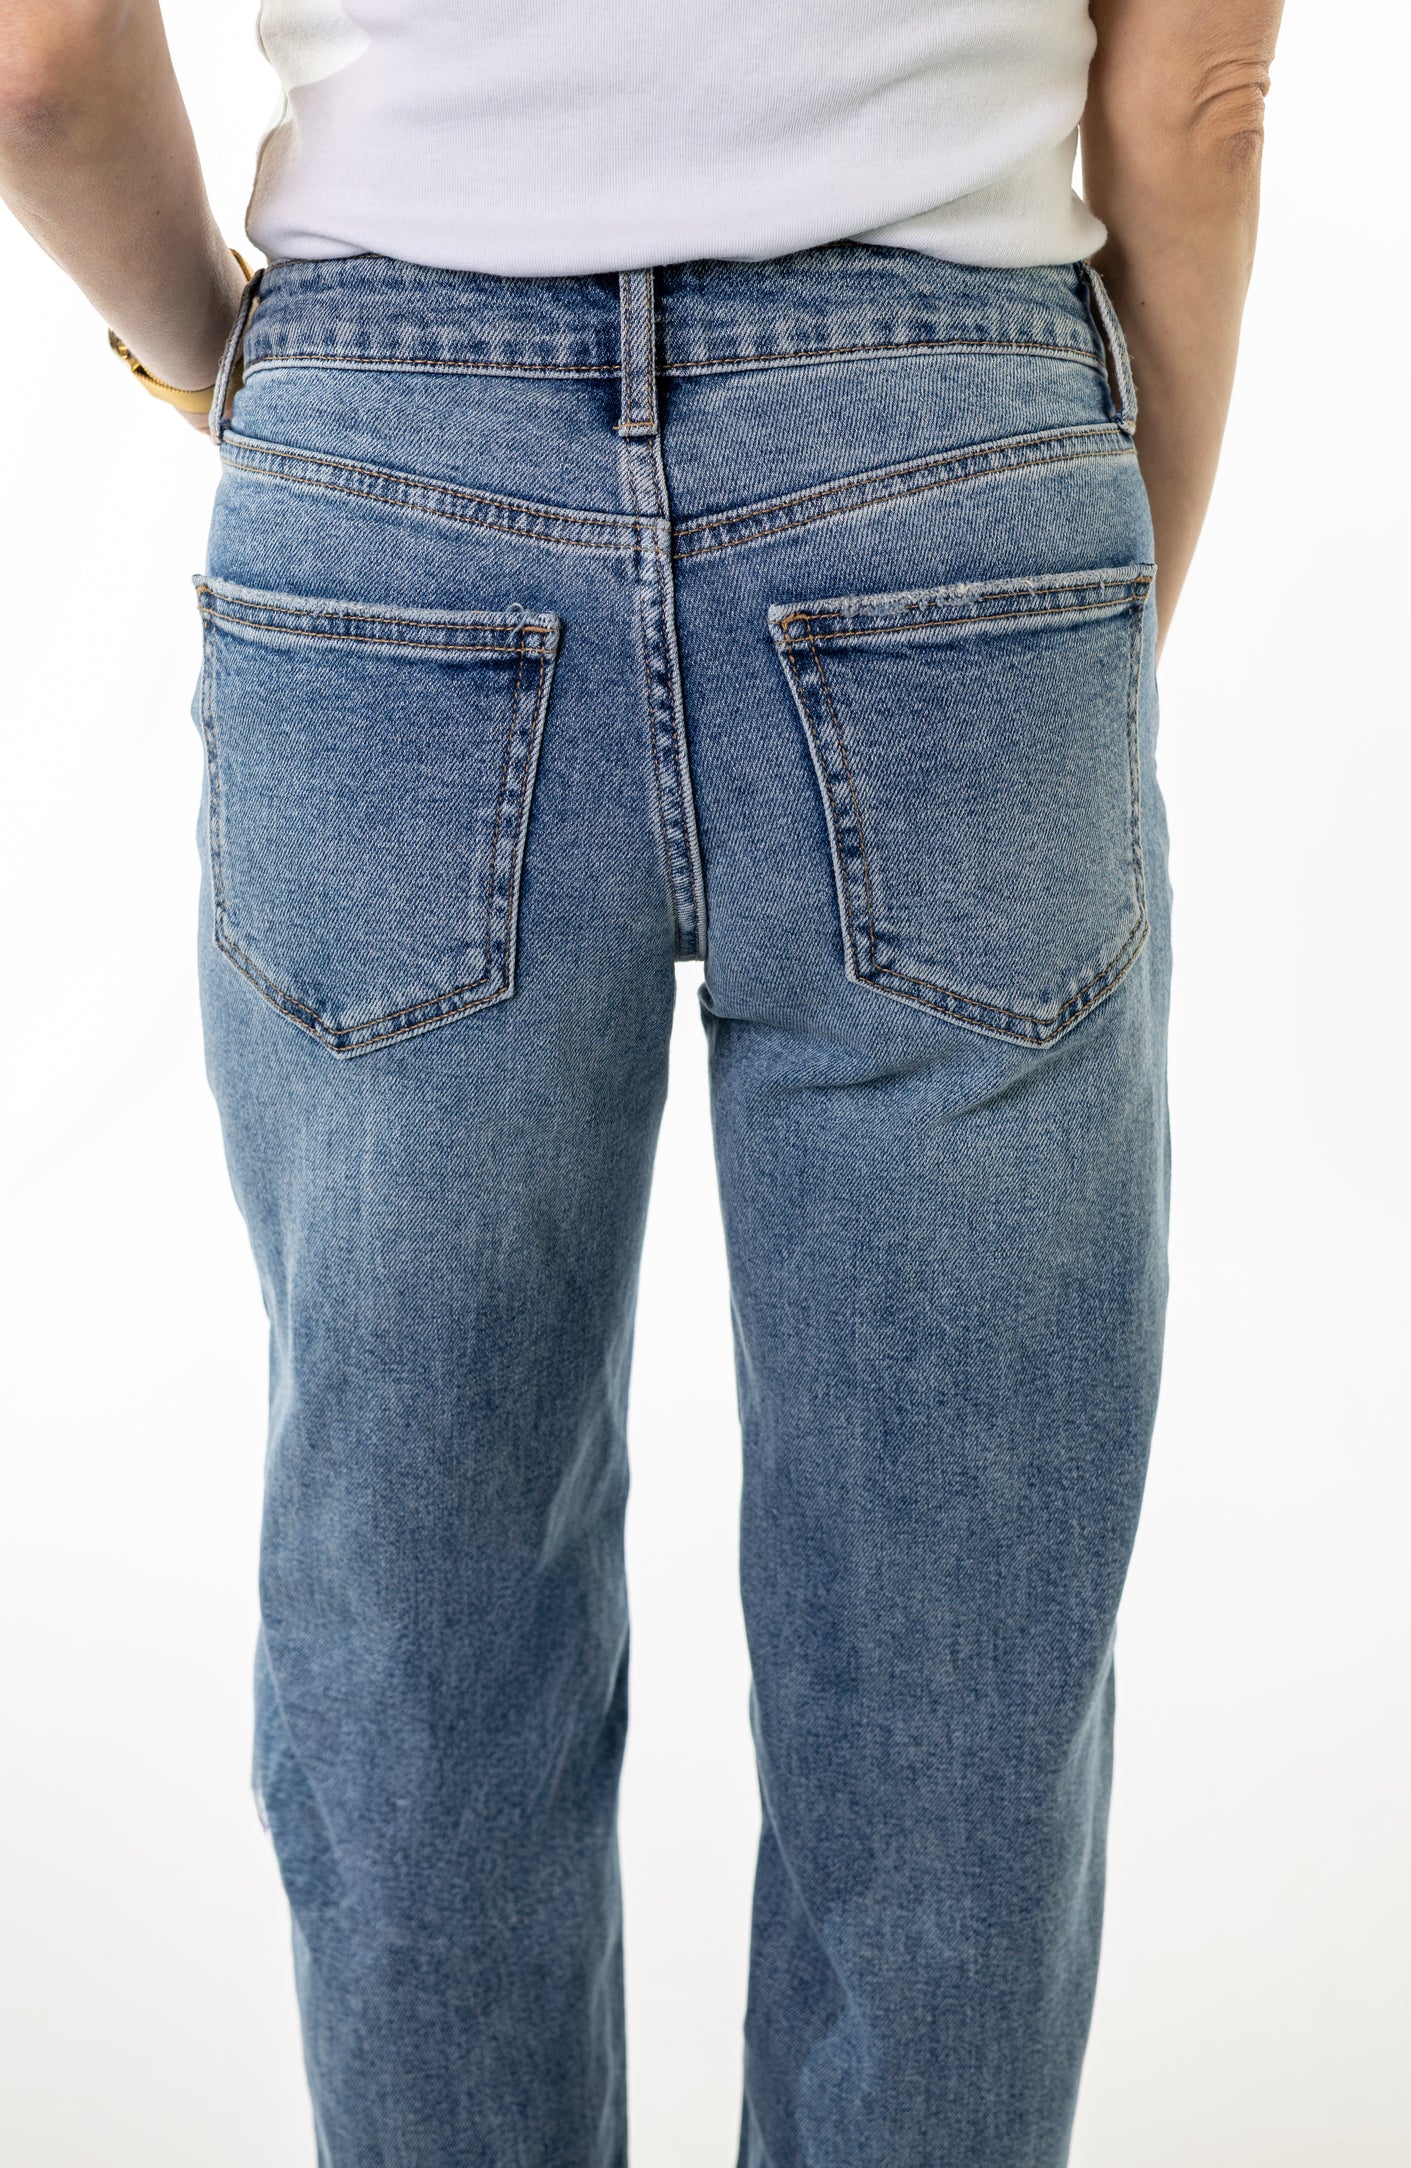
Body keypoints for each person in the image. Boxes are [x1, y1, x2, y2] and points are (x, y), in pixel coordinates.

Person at [0, 2, 1283, 2161]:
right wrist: (1079, 554)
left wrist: (246, 378)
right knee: (958, 1672)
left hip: (384, 445)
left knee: (413, 1634)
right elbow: (1200, 98)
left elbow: (36, 68)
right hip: (950, 456)